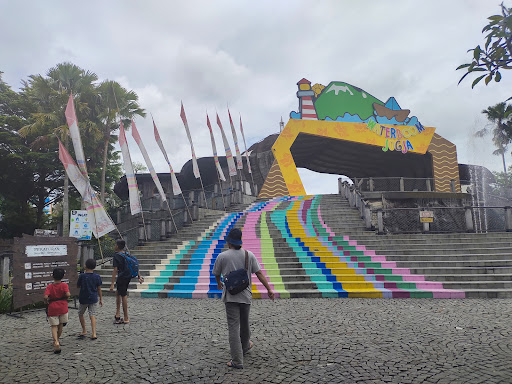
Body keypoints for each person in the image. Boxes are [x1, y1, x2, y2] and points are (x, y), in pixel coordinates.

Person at [212, 228, 275, 369]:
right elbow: (259, 273)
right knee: (245, 323)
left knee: (233, 327)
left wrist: (218, 282)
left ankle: (237, 360)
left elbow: (216, 273)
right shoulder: (249, 255)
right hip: (245, 296)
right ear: (240, 241)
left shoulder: (222, 256)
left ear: (229, 242)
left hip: (230, 296)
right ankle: (245, 347)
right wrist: (269, 289)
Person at [110, 239, 143, 324]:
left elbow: (115, 270)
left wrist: (112, 284)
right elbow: (134, 264)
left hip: (122, 277)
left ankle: (126, 317)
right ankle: (117, 314)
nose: (114, 246)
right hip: (127, 276)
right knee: (118, 292)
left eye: (115, 244)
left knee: (123, 295)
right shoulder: (126, 253)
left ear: (117, 246)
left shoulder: (117, 256)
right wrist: (139, 276)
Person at [43, 268, 70, 354]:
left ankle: (56, 342)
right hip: (63, 307)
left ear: (52, 276)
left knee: (54, 326)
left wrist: (46, 302)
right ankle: (58, 338)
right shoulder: (64, 285)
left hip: (53, 307)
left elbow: (45, 296)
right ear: (63, 276)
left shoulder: (49, 286)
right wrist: (66, 298)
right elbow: (68, 294)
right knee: (61, 324)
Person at [77, 258, 103, 340]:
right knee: (92, 315)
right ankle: (94, 333)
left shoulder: (82, 276)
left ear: (85, 266)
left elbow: (78, 286)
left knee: (81, 313)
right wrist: (101, 299)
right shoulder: (97, 276)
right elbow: (99, 288)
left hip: (83, 298)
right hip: (93, 298)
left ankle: (84, 330)